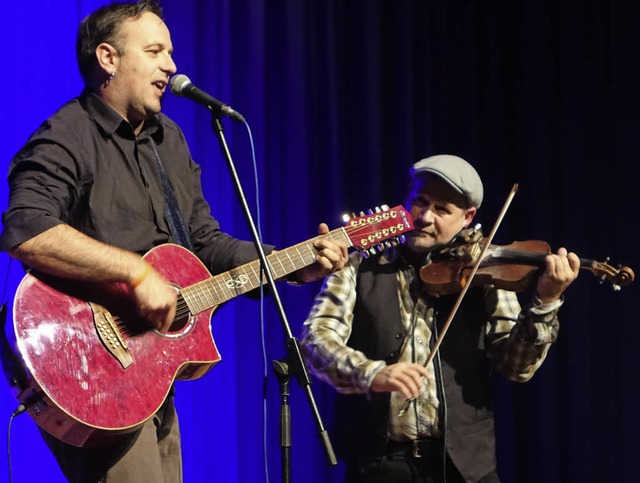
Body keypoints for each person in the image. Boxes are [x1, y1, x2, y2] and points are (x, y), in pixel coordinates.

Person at [0, 1, 347, 482]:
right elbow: (27, 230)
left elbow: (203, 244)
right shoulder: (68, 136)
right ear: (108, 58)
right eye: (155, 50)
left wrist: (289, 264)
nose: (171, 65)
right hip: (86, 366)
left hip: (147, 370)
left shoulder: (170, 140)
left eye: (171, 53)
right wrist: (136, 273)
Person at [300, 154, 580, 483]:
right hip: (380, 464)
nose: (425, 217)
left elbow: (517, 367)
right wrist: (373, 373)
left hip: (468, 467)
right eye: (420, 201)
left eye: (443, 210)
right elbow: (316, 339)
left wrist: (545, 301)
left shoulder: (483, 269)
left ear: (467, 217)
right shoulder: (360, 262)